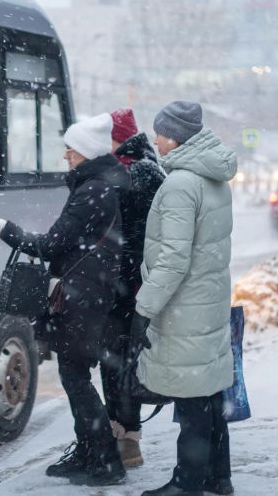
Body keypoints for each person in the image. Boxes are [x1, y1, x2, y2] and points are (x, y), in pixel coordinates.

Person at [0, 113, 129, 487]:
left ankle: (105, 459)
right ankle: (91, 452)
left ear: (86, 153)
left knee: (75, 376)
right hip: (91, 292)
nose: (66, 156)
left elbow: (50, 244)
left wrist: (4, 230)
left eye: (70, 149)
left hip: (84, 296)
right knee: (73, 373)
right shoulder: (100, 184)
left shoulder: (93, 190)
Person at [132, 101, 238, 496]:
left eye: (159, 133)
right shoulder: (212, 177)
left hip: (184, 307)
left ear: (175, 136)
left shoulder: (179, 184)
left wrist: (144, 309)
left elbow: (172, 259)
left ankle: (187, 483)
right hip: (206, 301)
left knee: (193, 399)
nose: (155, 140)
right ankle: (217, 476)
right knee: (208, 391)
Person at [100, 108, 166, 468]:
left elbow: (134, 238)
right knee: (119, 361)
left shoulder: (136, 172)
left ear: (118, 137)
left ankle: (128, 440)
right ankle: (121, 434)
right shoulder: (135, 166)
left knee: (122, 362)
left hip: (128, 286)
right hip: (126, 283)